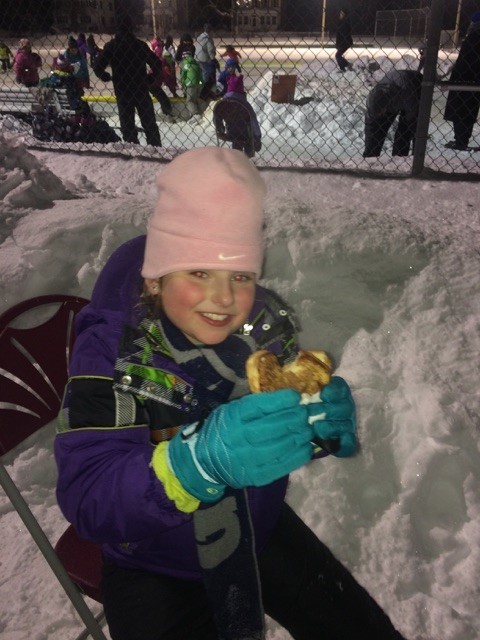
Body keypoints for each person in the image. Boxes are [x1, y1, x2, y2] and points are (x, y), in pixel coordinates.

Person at [55, 146, 408, 640]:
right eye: (198, 271)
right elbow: (88, 496)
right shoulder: (112, 348)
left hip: (254, 526)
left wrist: (313, 424)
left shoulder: (255, 327)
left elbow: (267, 423)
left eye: (239, 276)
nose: (223, 299)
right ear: (156, 279)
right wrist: (194, 464)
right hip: (153, 558)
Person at [93, 15, 162, 147]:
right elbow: (157, 64)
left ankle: (133, 151)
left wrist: (105, 76)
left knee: (127, 126)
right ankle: (156, 150)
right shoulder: (140, 45)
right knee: (149, 124)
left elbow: (97, 66)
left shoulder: (111, 47)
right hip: (140, 88)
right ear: (131, 28)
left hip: (122, 90)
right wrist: (150, 78)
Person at [363, 69, 423, 157]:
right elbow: (371, 126)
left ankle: (401, 158)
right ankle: (370, 158)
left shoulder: (407, 94)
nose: (380, 115)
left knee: (406, 129)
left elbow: (411, 118)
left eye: (380, 112)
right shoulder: (372, 98)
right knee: (376, 128)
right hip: (394, 92)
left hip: (415, 87)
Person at [444, 11, 480, 150]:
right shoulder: (473, 37)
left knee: (462, 110)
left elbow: (466, 61)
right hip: (469, 79)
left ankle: (461, 141)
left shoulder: (474, 37)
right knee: (466, 110)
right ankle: (460, 140)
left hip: (465, 79)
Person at [215, 69, 262, 157]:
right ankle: (248, 156)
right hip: (246, 134)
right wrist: (257, 136)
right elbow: (253, 120)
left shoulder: (223, 104)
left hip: (231, 132)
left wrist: (220, 129)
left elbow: (217, 116)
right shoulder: (245, 105)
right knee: (248, 136)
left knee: (236, 140)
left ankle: (236, 157)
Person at [179, 44, 203, 119]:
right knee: (194, 99)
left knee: (189, 101)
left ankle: (195, 115)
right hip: (199, 83)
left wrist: (182, 84)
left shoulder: (184, 64)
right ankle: (194, 114)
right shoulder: (196, 63)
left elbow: (183, 76)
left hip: (190, 84)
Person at [195, 23, 217, 99]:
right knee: (207, 76)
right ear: (210, 31)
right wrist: (213, 59)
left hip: (197, 58)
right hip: (204, 59)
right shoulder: (208, 39)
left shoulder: (200, 37)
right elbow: (210, 50)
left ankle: (201, 90)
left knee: (202, 75)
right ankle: (204, 92)